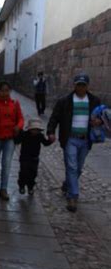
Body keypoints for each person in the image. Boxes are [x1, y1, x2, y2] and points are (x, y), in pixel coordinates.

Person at [47, 73, 102, 212]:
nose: (81, 88)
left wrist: (99, 121)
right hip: (70, 138)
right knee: (71, 167)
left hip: (85, 139)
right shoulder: (64, 101)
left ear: (87, 86)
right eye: (78, 85)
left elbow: (104, 118)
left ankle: (67, 184)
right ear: (74, 85)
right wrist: (51, 131)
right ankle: (73, 197)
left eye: (83, 85)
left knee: (78, 168)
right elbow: (55, 117)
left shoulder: (94, 101)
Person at [14, 118, 53, 195]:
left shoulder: (40, 136)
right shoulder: (24, 135)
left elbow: (45, 143)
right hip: (24, 157)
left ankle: (30, 187)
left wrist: (50, 140)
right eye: (34, 129)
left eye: (37, 130)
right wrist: (17, 134)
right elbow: (17, 141)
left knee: (33, 173)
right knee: (23, 172)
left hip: (34, 158)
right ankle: (21, 186)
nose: (35, 131)